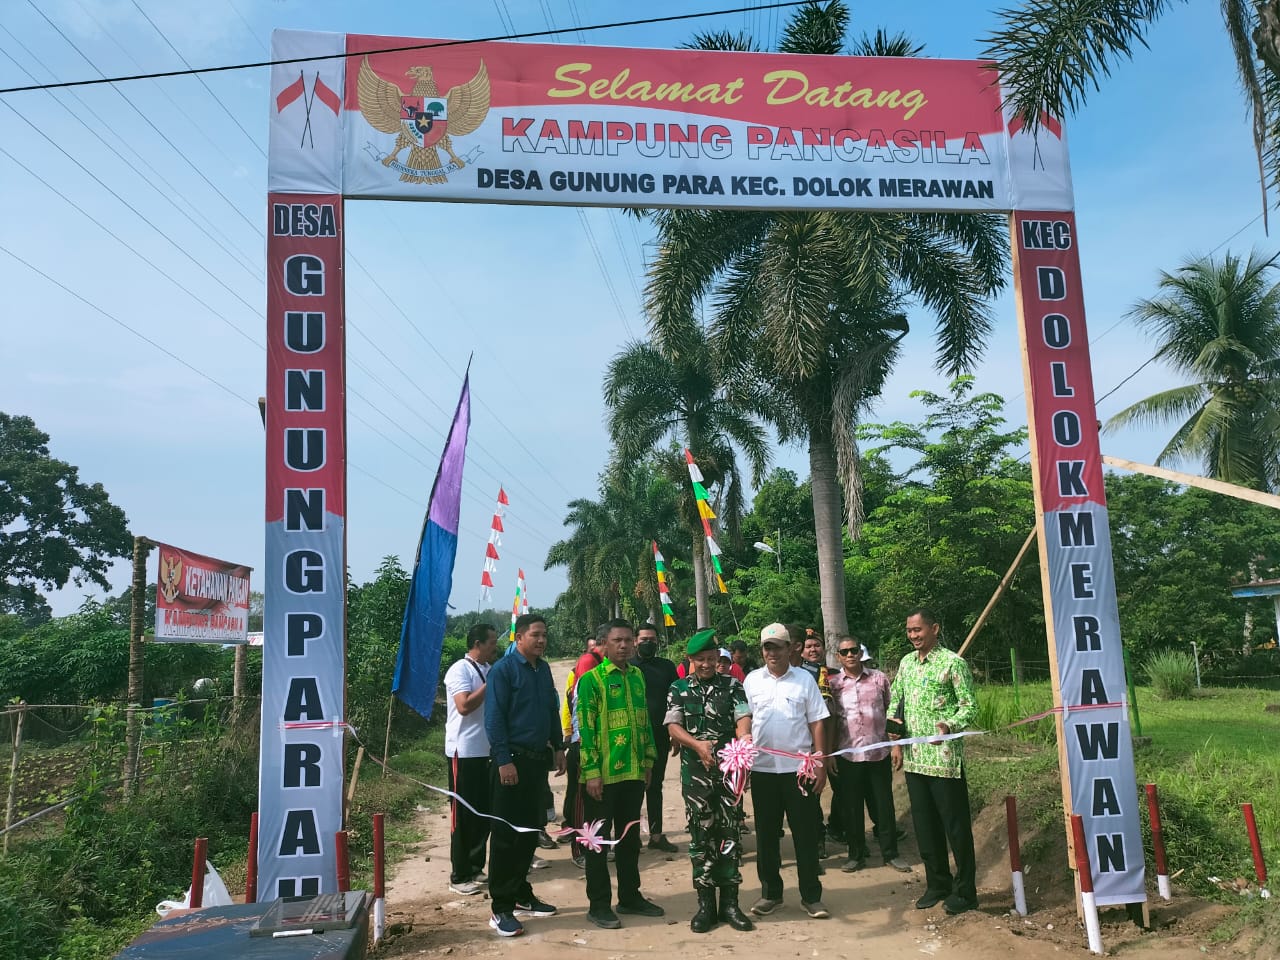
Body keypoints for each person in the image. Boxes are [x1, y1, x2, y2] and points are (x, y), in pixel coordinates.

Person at [888, 607, 978, 916]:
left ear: (934, 629)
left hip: (944, 761)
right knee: (925, 827)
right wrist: (896, 743)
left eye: (918, 630)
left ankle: (966, 892)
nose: (913, 636)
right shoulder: (906, 664)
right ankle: (937, 883)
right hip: (914, 760)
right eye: (909, 631)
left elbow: (969, 707)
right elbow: (896, 703)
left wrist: (949, 725)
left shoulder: (953, 663)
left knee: (955, 827)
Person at [576, 618, 664, 929]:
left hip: (633, 773)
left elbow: (646, 723)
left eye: (629, 640)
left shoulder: (638, 676)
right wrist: (591, 772)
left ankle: (630, 896)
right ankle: (598, 904)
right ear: (604, 645)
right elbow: (585, 730)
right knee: (598, 844)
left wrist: (649, 761)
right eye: (618, 641)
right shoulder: (592, 680)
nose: (626, 645)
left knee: (629, 841)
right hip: (602, 777)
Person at [665, 628, 754, 933]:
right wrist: (697, 745)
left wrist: (744, 738)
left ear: (719, 658)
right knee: (701, 837)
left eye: (711, 658)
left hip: (729, 771)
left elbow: (743, 717)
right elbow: (674, 727)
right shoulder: (678, 688)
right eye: (700, 659)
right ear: (690, 659)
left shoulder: (733, 685)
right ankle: (706, 905)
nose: (706, 664)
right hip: (696, 775)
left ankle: (730, 903)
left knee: (730, 833)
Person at [484, 614, 567, 938]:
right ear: (519, 638)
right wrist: (503, 760)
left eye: (545, 635)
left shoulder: (542, 668)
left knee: (531, 829)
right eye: (536, 635)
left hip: (536, 763)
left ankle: (521, 892)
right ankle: (500, 907)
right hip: (511, 762)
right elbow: (494, 719)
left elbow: (550, 709)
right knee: (506, 836)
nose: (542, 640)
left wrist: (558, 746)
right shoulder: (503, 671)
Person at [743, 622, 831, 920]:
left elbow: (817, 721)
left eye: (777, 647)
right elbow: (744, 720)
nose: (772, 653)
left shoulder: (804, 681)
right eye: (767, 648)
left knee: (805, 833)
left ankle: (811, 896)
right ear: (762, 651)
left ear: (789, 648)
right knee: (767, 835)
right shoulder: (752, 681)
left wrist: (818, 762)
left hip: (799, 770)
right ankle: (771, 894)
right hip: (763, 770)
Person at [826, 634, 911, 875]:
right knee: (851, 807)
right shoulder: (833, 685)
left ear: (861, 653)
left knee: (884, 805)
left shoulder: (879, 679)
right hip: (848, 755)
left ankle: (890, 853)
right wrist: (831, 753)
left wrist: (896, 746)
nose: (850, 655)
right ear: (838, 657)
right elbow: (831, 721)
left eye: (854, 650)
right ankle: (856, 854)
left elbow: (892, 713)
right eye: (845, 652)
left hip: (878, 752)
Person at [443, 622, 499, 895]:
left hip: (485, 752)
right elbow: (464, 706)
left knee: (482, 813)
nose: (495, 647)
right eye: (491, 642)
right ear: (477, 644)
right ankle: (459, 874)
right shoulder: (460, 670)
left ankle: (476, 867)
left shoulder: (487, 670)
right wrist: (490, 685)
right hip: (463, 752)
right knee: (463, 815)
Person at [631, 622, 680, 854]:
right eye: (643, 640)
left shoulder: (667, 667)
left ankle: (656, 835)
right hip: (631, 738)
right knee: (631, 788)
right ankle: (629, 836)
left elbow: (675, 702)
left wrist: (677, 733)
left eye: (652, 639)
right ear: (635, 641)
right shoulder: (627, 667)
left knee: (655, 786)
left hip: (659, 736)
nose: (648, 643)